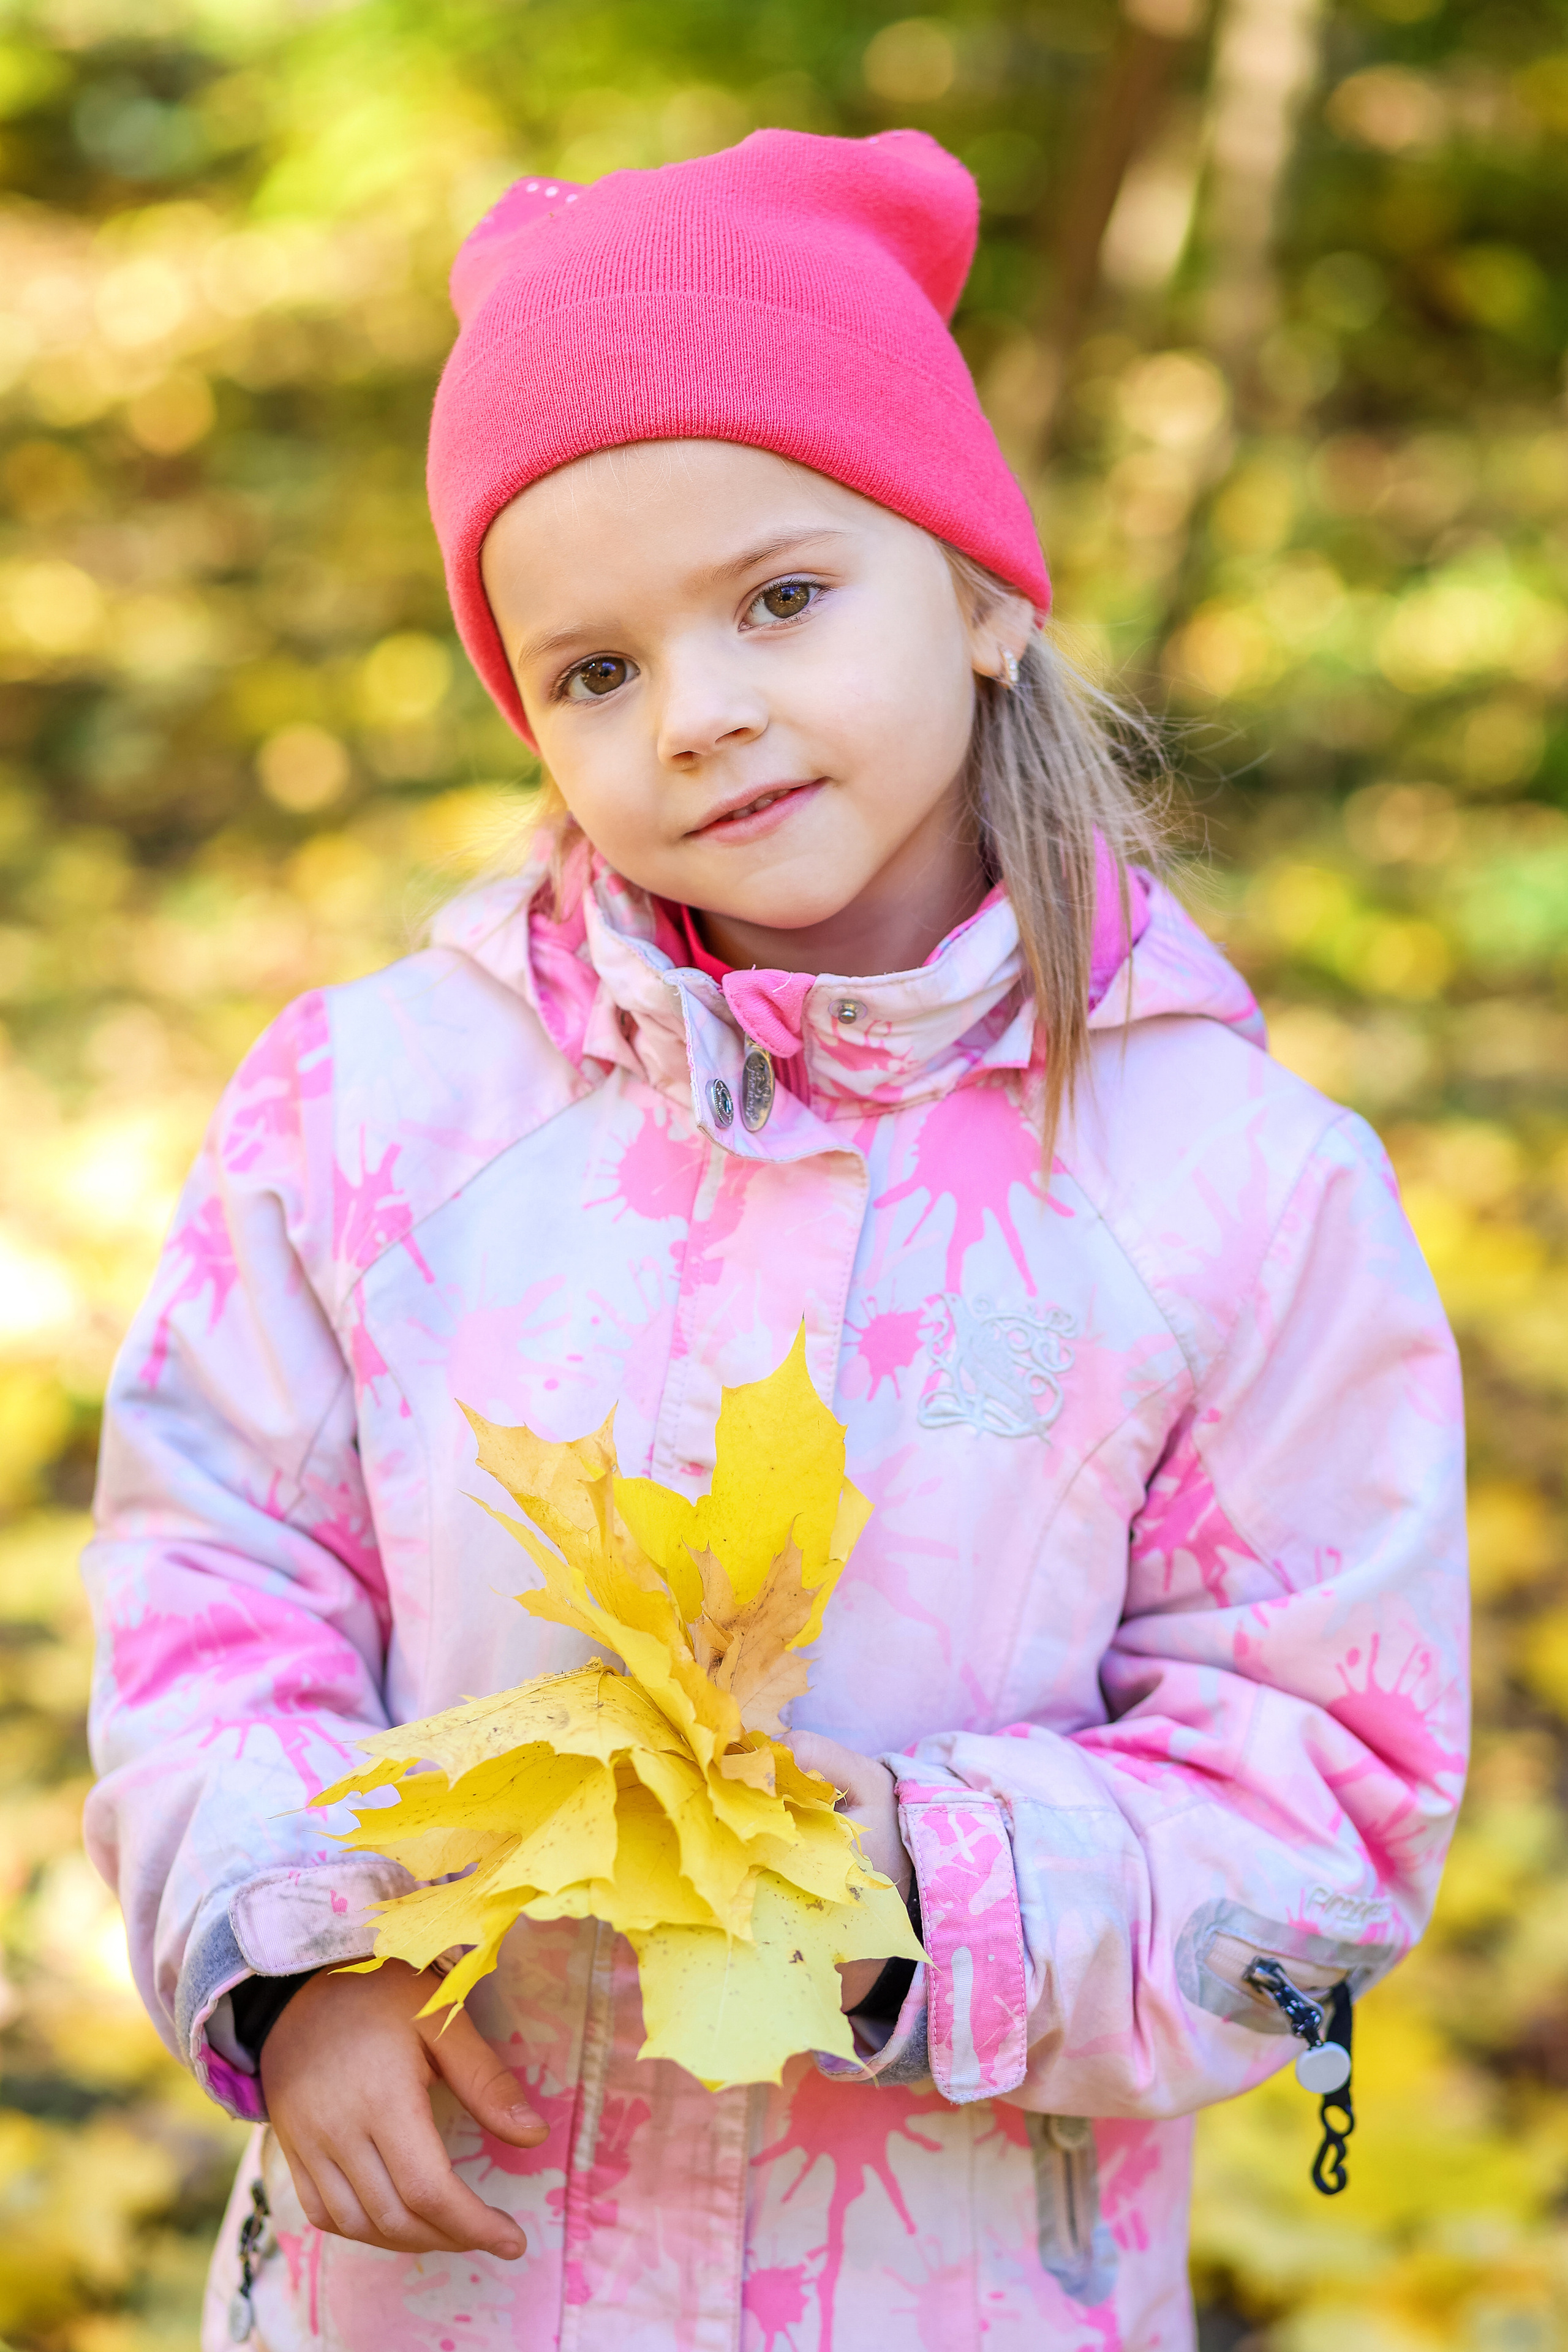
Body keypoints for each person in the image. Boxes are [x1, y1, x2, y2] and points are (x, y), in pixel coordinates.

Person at [82, 129, 1468, 2352]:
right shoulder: (374, 1118)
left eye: (782, 599)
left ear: (986, 590)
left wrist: (921, 1892)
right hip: (444, 2278)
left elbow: (1328, 1801)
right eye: (595, 670)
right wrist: (298, 1950)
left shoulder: (1234, 1190)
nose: (701, 706)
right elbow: (219, 1580)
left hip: (943, 2287)